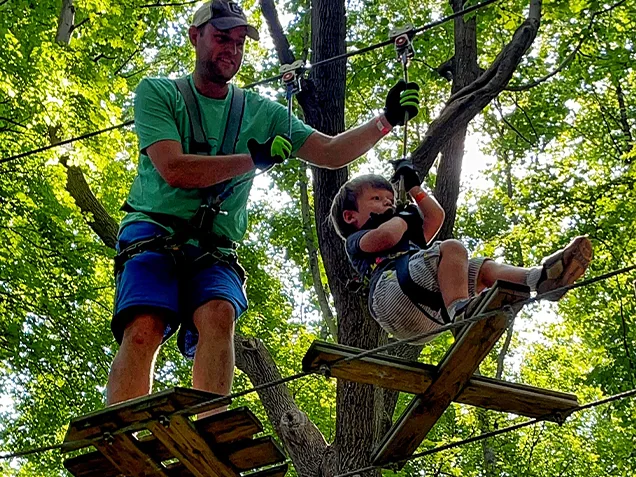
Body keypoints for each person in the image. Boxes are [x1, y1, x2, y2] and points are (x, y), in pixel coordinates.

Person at [107, 0, 422, 406]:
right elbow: (174, 169)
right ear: (195, 37)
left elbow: (329, 151)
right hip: (153, 231)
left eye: (239, 42)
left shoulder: (260, 112)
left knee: (219, 315)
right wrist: (251, 159)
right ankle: (123, 428)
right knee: (144, 326)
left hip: (214, 247)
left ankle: (210, 429)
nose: (231, 50)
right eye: (222, 38)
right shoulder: (161, 93)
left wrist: (386, 120)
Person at [330, 168, 593, 343]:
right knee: (452, 247)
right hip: (391, 295)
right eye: (376, 199)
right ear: (351, 216)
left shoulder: (405, 230)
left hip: (428, 312)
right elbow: (388, 236)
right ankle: (461, 311)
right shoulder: (357, 240)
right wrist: (401, 216)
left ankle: (540, 279)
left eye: (390, 199)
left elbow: (436, 217)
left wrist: (414, 188)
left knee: (478, 268)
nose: (387, 203)